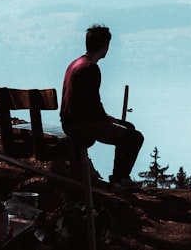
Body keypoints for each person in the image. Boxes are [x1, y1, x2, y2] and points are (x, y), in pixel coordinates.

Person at [61, 24, 144, 190]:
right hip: (83, 126)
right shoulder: (91, 68)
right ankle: (119, 180)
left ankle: (119, 178)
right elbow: (93, 104)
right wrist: (108, 120)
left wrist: (108, 119)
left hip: (70, 122)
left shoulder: (75, 64)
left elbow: (86, 102)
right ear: (104, 45)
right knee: (135, 137)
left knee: (127, 128)